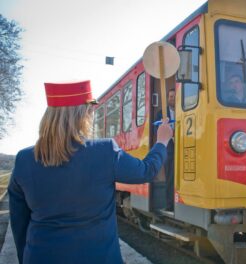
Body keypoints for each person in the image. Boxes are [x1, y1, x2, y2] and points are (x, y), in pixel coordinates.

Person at [8, 80, 173, 264]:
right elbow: (146, 171)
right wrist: (162, 141)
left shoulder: (24, 160)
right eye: (90, 110)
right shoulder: (105, 151)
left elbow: (19, 223)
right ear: (83, 114)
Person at [155, 89, 175, 211]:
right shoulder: (161, 114)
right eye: (171, 96)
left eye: (175, 96)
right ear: (168, 98)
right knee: (170, 177)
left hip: (183, 147)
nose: (173, 98)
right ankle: (169, 205)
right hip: (169, 149)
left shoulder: (183, 110)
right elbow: (156, 131)